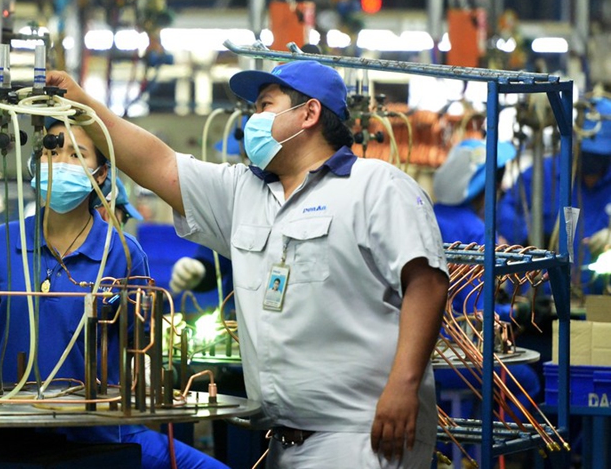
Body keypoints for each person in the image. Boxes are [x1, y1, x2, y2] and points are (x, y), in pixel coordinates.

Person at [47, 60, 449, 468]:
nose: (252, 120)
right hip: (284, 440)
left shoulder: (376, 186)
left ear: (309, 113)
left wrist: (404, 385)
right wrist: (82, 104)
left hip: (363, 434)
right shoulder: (245, 193)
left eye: (264, 106)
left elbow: (427, 282)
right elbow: (159, 164)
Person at [0, 119, 227, 469]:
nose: (60, 162)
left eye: (76, 154)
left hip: (96, 436)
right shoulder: (4, 242)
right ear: (36, 163)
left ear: (101, 174)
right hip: (13, 432)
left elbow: (141, 344)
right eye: (51, 151)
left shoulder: (122, 253)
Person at [431, 138, 541, 423]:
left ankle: (453, 445)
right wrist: (517, 311)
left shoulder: (429, 214)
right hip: (455, 355)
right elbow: (475, 314)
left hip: (422, 352)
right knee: (526, 380)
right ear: (484, 188)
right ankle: (483, 448)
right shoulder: (476, 230)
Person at [498, 95, 611, 295]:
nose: (592, 162)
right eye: (588, 154)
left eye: (599, 156)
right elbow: (504, 210)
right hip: (541, 293)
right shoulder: (543, 174)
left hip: (598, 293)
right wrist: (528, 235)